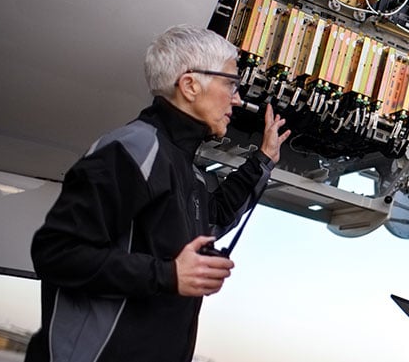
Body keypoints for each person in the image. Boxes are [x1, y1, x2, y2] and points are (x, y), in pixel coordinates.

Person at [25, 24, 291, 362]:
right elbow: (57, 252)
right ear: (191, 85)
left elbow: (214, 218)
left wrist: (264, 160)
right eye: (231, 83)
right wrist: (168, 275)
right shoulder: (133, 149)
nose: (238, 99)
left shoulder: (185, 170)